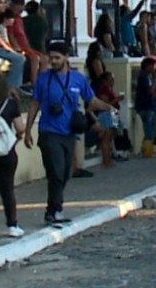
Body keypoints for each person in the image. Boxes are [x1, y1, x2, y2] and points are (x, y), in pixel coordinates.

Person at [24, 40, 108, 227]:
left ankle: (53, 208)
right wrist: (28, 130)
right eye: (50, 57)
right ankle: (54, 210)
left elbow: (91, 100)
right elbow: (34, 104)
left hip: (69, 132)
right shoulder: (44, 79)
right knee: (56, 173)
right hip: (49, 131)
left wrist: (109, 107)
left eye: (57, 58)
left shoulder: (78, 79)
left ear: (66, 58)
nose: (53, 61)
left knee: (64, 173)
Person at [0, 78, 26, 238]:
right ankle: (12, 223)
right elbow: (20, 127)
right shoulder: (10, 104)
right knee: (7, 189)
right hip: (6, 152)